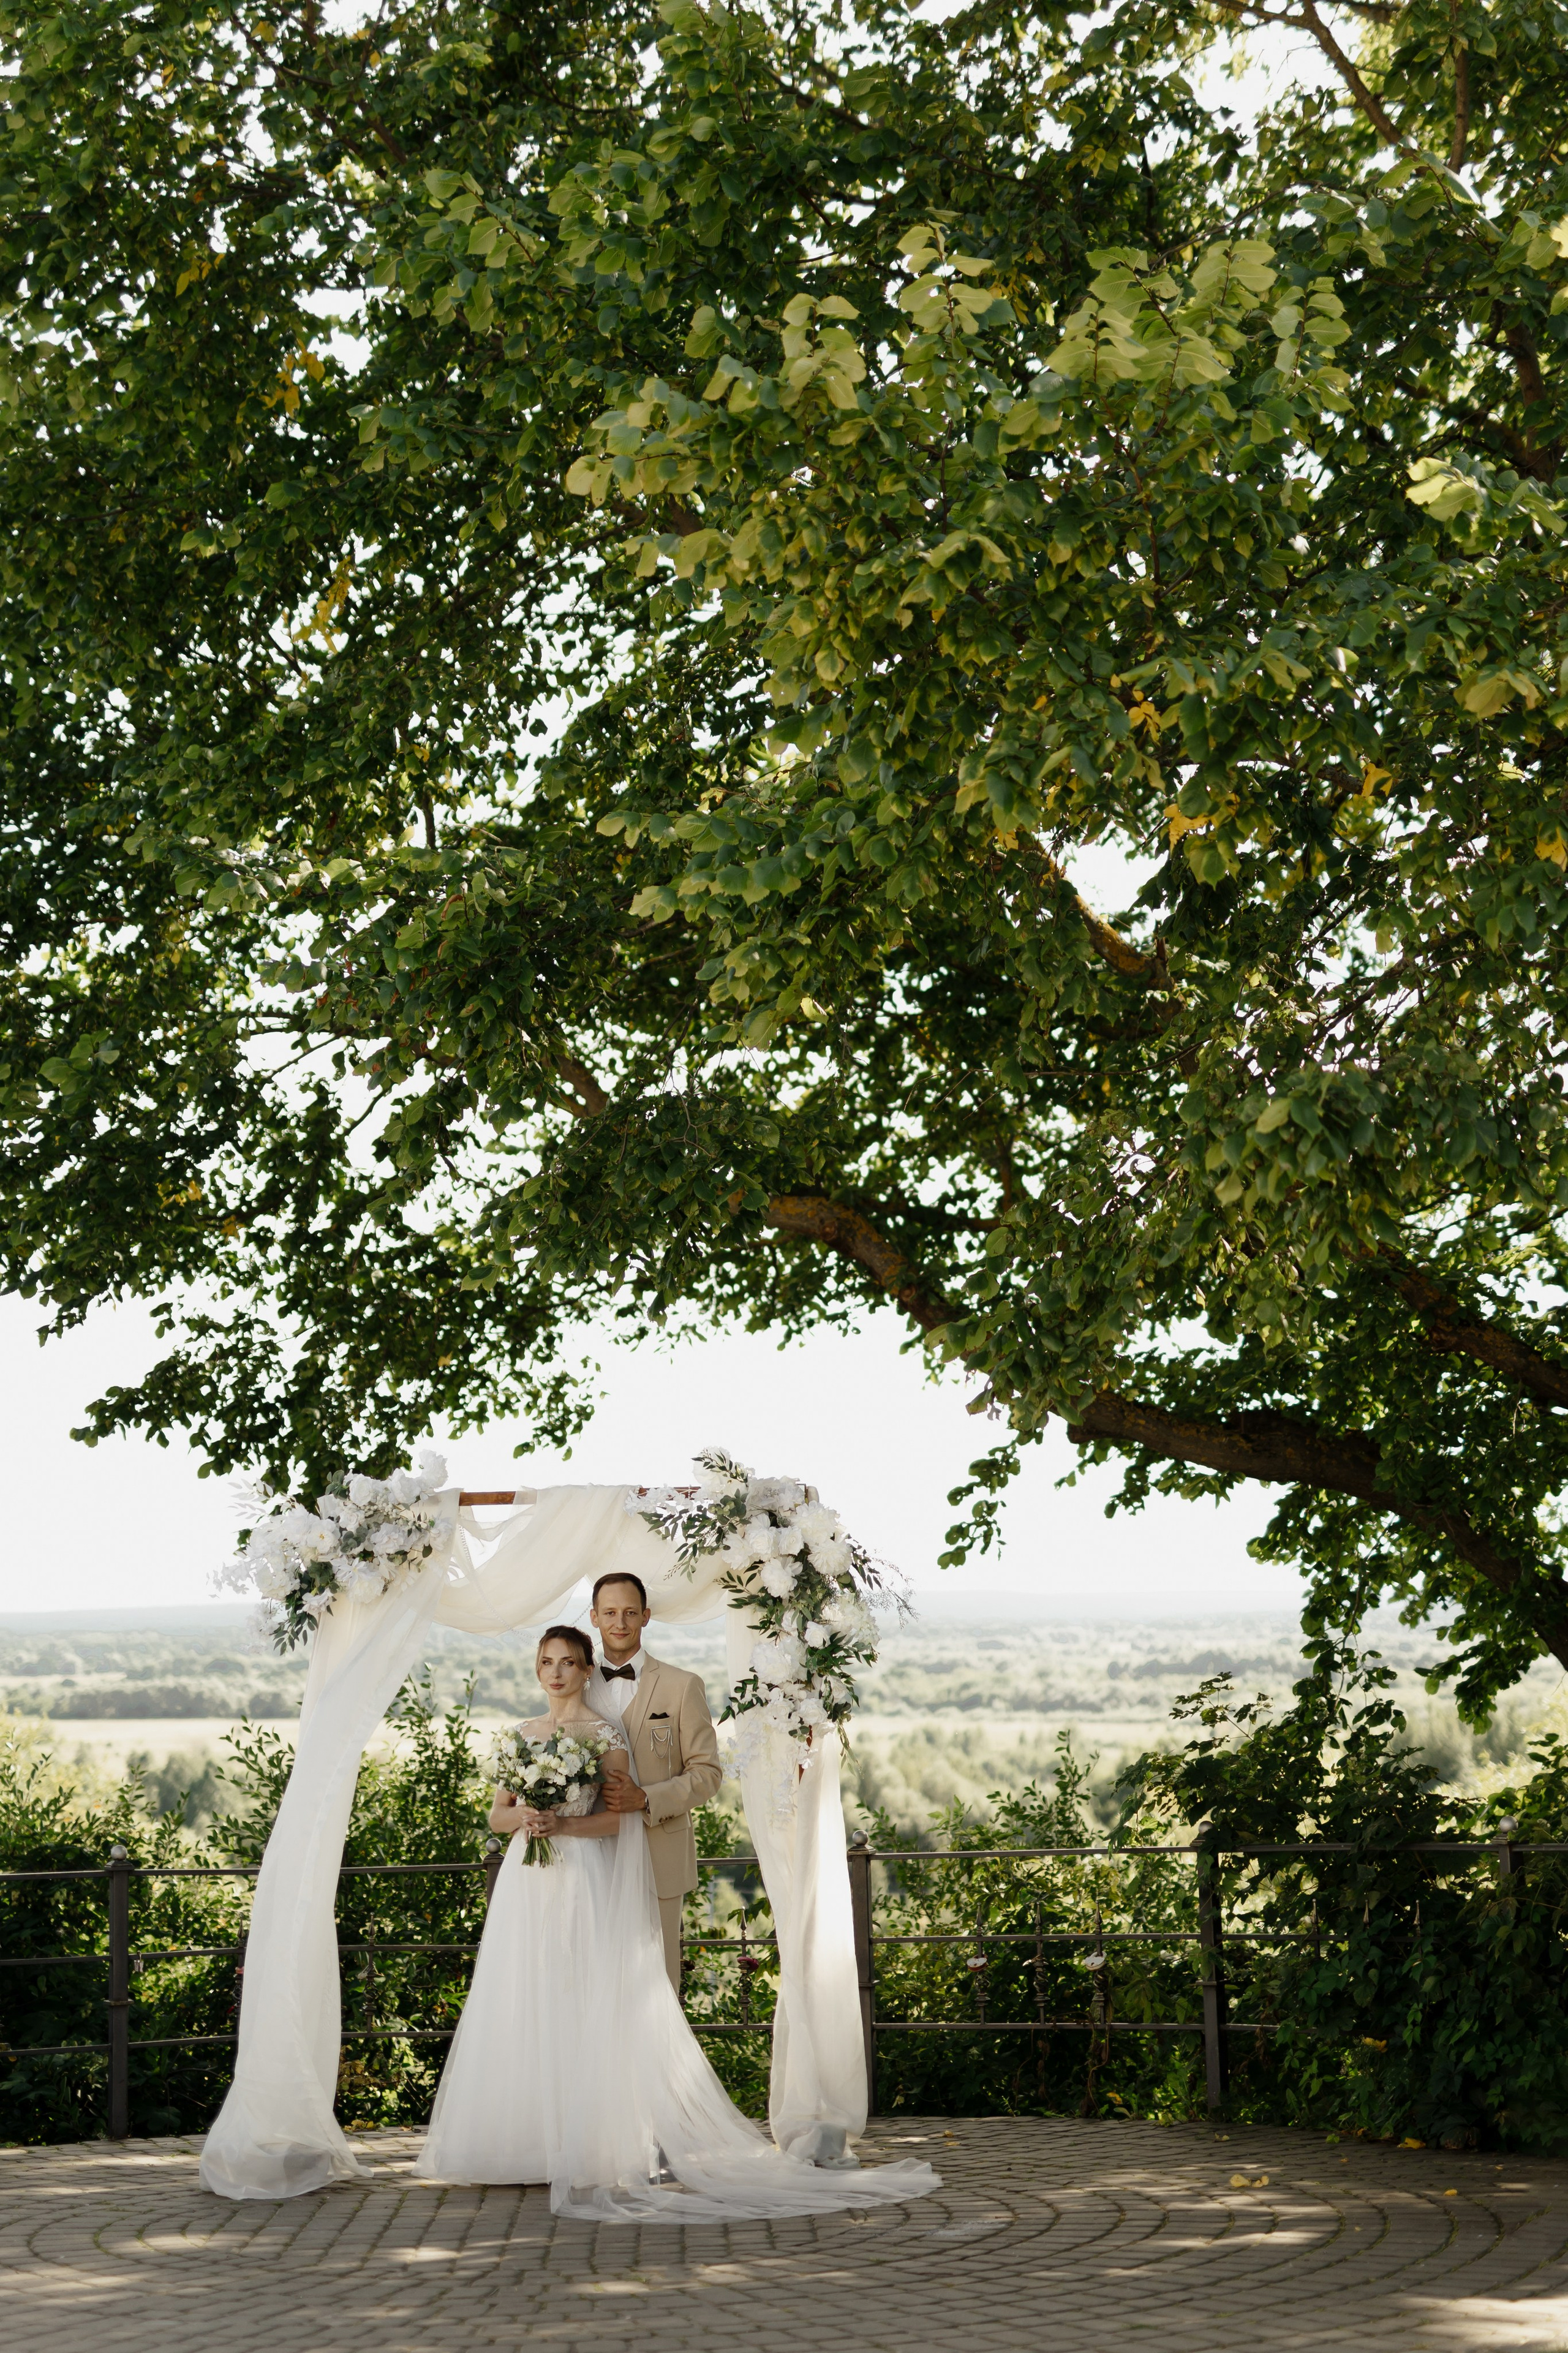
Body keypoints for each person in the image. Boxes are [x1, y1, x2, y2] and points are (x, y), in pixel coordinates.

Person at [414, 1622, 940, 2221]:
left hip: (582, 1872)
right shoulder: (522, 1734)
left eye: (567, 1661)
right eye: (545, 1661)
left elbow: (617, 1821)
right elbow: (496, 1815)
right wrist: (528, 1817)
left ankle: (584, 2137)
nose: (556, 1671)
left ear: (586, 1669)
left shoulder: (604, 1734)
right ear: (536, 1670)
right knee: (527, 1992)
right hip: (528, 1880)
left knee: (581, 1994)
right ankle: (527, 2139)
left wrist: (562, 1825)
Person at [586, 1569, 722, 1989]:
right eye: (610, 1612)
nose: (619, 1622)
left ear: (646, 1616)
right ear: (594, 1617)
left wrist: (646, 1798)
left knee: (658, 1988)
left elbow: (708, 1772)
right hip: (591, 1858)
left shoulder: (683, 1686)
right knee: (594, 1983)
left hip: (659, 1854)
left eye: (629, 1612)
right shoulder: (575, 1684)